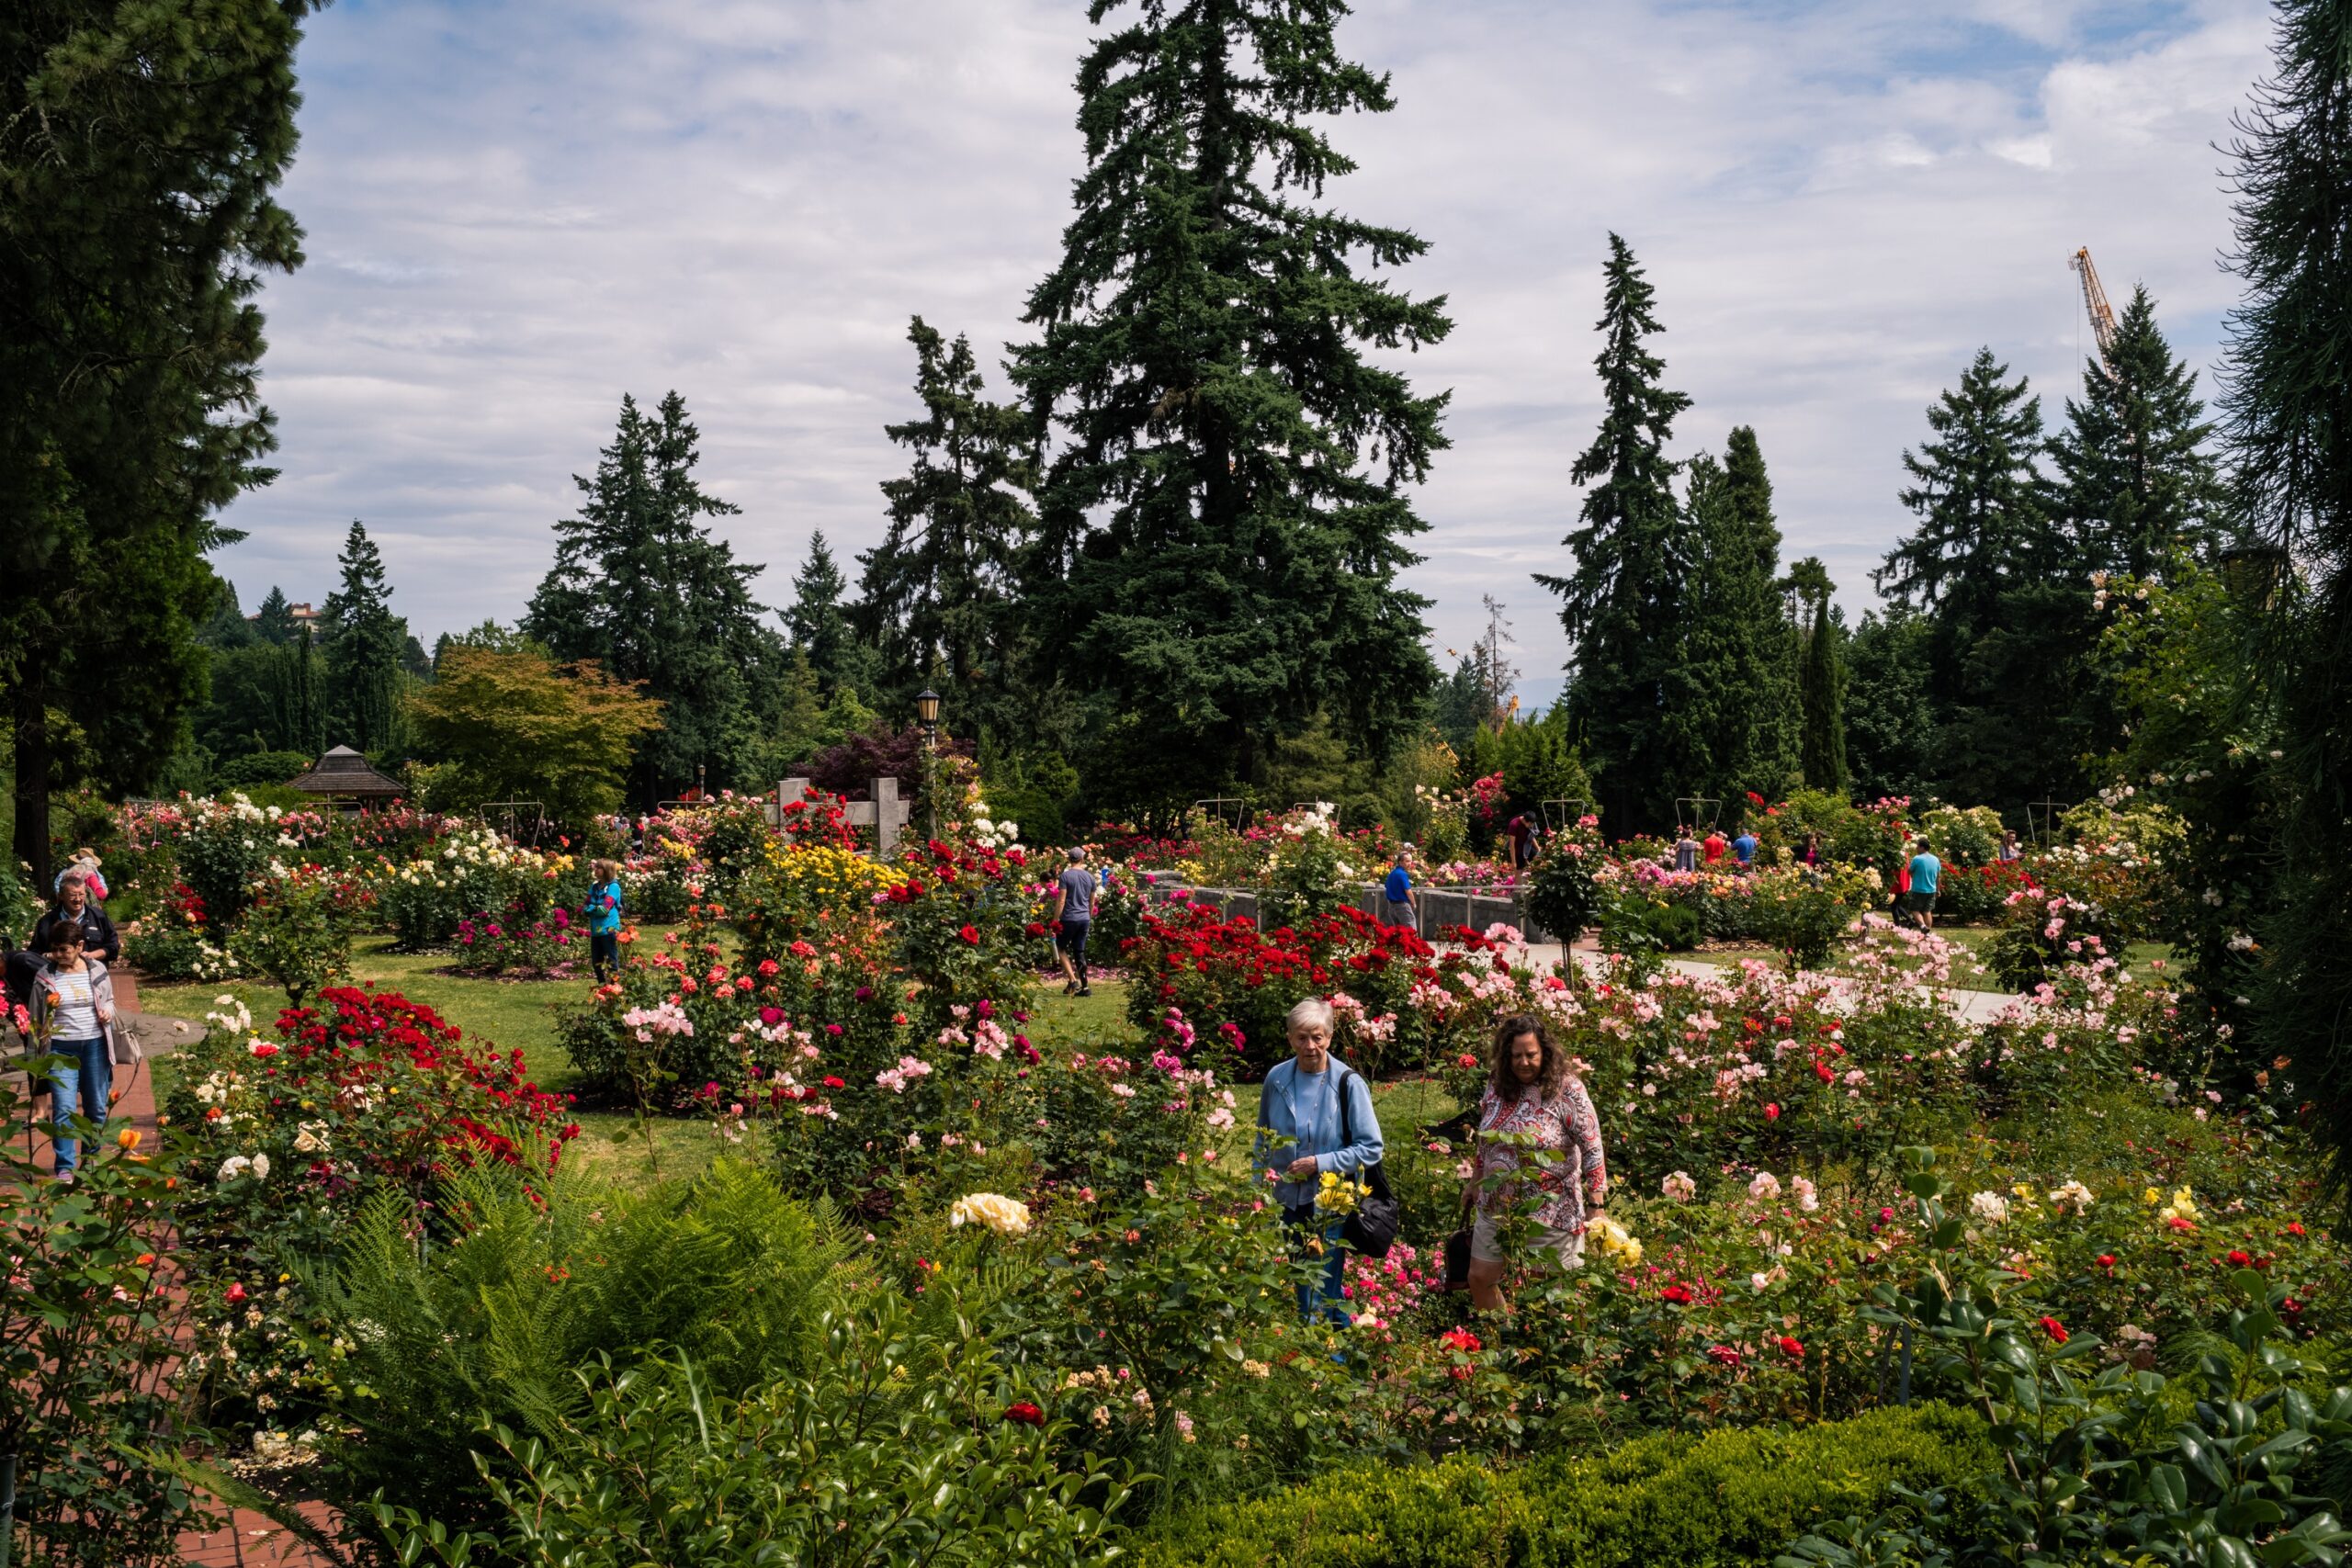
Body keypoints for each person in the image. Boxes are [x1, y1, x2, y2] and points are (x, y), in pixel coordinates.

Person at [1464, 1015, 1608, 1313]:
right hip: (1497, 1205)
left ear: (1545, 1051)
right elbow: (1485, 1137)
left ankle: (1556, 1356)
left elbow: (1591, 1144)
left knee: (1552, 1296)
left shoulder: (1567, 1089)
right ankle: (1504, 1345)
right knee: (1480, 1277)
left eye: (1531, 1054)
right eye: (1516, 1055)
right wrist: (1476, 1177)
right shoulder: (1497, 1085)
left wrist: (1597, 1202)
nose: (1523, 1062)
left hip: (1552, 1206)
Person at [1254, 998, 1384, 1326]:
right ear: (1289, 1038)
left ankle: (1329, 1358)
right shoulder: (1277, 1078)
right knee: (1303, 1280)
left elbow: (1371, 1147)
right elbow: (1263, 1139)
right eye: (1301, 1037)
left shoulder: (1348, 1083)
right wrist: (1257, 1189)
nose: (1310, 1046)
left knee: (1321, 1284)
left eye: (1318, 1036)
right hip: (1289, 1200)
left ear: (1330, 1036)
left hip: (1330, 1203)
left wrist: (1319, 1163)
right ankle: (1339, 1350)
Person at [29, 922, 123, 1184]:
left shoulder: (97, 970)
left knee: (95, 1106)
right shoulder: (45, 976)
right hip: (60, 1048)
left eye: (64, 950)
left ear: (80, 947)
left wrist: (108, 1012)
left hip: (94, 1044)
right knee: (64, 1108)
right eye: (55, 950)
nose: (58, 955)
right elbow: (35, 1018)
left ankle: (91, 1159)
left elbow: (111, 1001)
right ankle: (65, 1167)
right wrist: (37, 1054)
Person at [1052, 846, 1098, 997]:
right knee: (1079, 951)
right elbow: (1092, 902)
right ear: (1082, 859)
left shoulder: (1065, 876)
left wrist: (1055, 920)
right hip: (1084, 918)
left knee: (1060, 947)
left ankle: (1072, 980)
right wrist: (1088, 917)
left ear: (1069, 859)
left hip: (1069, 918)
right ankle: (1085, 988)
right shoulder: (1090, 877)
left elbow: (1061, 900)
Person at [583, 860, 625, 984]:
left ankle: (614, 989)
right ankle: (602, 987)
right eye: (595, 868)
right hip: (596, 930)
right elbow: (584, 907)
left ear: (607, 870)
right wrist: (590, 908)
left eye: (599, 868)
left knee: (612, 961)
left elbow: (604, 910)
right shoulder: (594, 887)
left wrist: (591, 908)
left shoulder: (614, 887)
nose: (595, 870)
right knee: (597, 962)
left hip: (609, 929)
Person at [1906, 837, 1942, 931]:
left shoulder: (1917, 859)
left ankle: (1922, 926)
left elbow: (1909, 871)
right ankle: (1927, 933)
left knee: (1914, 910)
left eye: (1917, 846)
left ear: (1922, 847)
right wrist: (1938, 890)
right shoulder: (1936, 859)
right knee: (1927, 911)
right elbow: (1938, 876)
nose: (1916, 848)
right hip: (1931, 890)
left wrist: (1914, 876)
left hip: (1918, 889)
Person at [1382, 849, 1418, 931]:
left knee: (1399, 932)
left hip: (1392, 906)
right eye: (1407, 861)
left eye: (1411, 861)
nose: (1410, 864)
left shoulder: (1392, 873)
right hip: (1402, 905)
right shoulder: (1402, 874)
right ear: (1400, 862)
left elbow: (1387, 886)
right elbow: (1408, 891)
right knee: (1411, 930)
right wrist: (1413, 903)